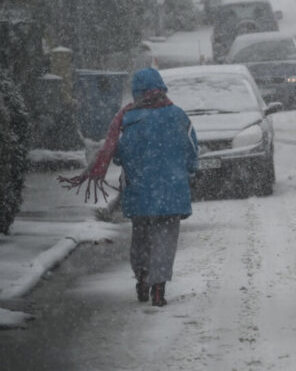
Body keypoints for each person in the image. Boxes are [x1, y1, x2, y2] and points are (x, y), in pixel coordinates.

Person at [60, 67, 198, 307]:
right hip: (172, 191)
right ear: (161, 88)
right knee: (165, 239)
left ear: (136, 92)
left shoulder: (126, 119)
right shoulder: (179, 116)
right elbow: (191, 150)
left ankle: (142, 276)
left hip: (139, 190)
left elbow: (118, 154)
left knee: (142, 237)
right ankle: (159, 287)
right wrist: (188, 169)